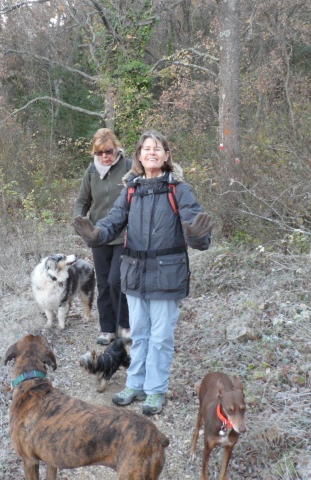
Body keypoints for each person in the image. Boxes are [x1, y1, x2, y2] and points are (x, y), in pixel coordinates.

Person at [73, 130, 213, 415]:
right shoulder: (132, 189)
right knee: (138, 334)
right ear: (138, 155)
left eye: (158, 148)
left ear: (166, 155)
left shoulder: (179, 189)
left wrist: (197, 236)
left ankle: (155, 390)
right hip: (135, 273)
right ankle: (135, 384)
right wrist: (96, 235)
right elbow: (113, 220)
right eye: (147, 148)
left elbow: (194, 224)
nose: (152, 152)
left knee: (161, 337)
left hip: (167, 275)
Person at [74, 128, 132, 345]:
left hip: (124, 234)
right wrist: (79, 220)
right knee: (104, 283)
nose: (104, 156)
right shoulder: (91, 172)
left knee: (117, 280)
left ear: (116, 148)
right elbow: (82, 201)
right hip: (98, 235)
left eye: (108, 151)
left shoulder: (128, 167)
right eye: (99, 153)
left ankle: (125, 325)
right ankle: (107, 328)